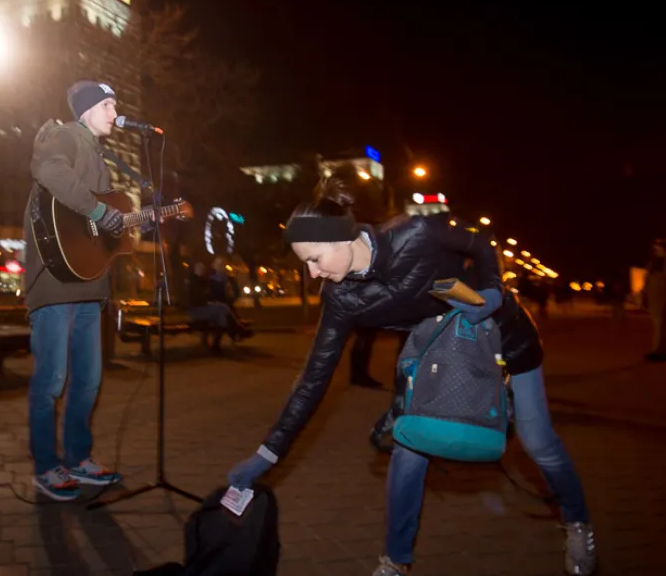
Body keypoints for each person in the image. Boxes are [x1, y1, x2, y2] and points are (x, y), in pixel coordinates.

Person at [224, 179, 596, 576]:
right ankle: (395, 562)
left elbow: (479, 241)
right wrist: (266, 455)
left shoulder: (415, 232)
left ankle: (578, 524)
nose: (313, 273)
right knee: (408, 450)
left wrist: (493, 291)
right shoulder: (341, 300)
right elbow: (314, 379)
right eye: (306, 264)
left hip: (505, 342)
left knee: (539, 442)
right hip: (442, 359)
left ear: (342, 240)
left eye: (314, 259)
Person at [22, 80, 128, 500]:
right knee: (52, 379)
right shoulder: (64, 135)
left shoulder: (102, 155)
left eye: (115, 103)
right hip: (55, 282)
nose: (114, 111)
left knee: (88, 380)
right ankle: (47, 466)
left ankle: (79, 459)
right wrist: (102, 211)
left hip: (88, 283)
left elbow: (97, 229)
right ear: (85, 111)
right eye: (106, 104)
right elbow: (48, 171)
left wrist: (127, 224)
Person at [643, 237, 666, 361]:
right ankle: (661, 351)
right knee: (659, 326)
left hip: (664, 297)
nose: (657, 250)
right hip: (654, 297)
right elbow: (646, 282)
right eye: (655, 248)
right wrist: (645, 296)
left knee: (660, 325)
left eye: (659, 248)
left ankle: (658, 351)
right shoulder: (652, 264)